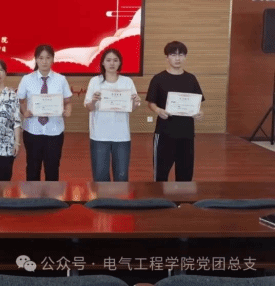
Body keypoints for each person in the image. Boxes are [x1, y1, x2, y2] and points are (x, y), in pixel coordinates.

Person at [146, 41, 205, 182]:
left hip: (186, 134)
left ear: (185, 57)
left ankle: (182, 197)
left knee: (185, 176)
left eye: (181, 55)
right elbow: (151, 102)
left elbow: (197, 104)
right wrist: (157, 110)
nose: (177, 58)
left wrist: (200, 113)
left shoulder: (191, 79)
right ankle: (159, 197)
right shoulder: (158, 79)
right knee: (160, 176)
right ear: (167, 57)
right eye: (173, 55)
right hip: (164, 133)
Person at [84, 49, 141, 182]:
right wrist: (93, 101)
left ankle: (120, 197)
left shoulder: (127, 82)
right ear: (103, 63)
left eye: (115, 60)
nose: (112, 63)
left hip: (121, 136)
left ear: (120, 63)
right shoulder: (95, 81)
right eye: (108, 60)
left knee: (121, 177)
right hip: (99, 135)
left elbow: (132, 108)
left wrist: (135, 102)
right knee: (100, 177)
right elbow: (89, 107)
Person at [18, 44, 72, 181]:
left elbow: (68, 101)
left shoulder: (61, 80)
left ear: (53, 59)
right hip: (32, 131)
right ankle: (33, 196)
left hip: (54, 131)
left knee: (52, 170)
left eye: (48, 58)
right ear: (36, 59)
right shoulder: (27, 79)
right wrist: (24, 112)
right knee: (32, 169)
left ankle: (52, 195)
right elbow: (20, 101)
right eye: (41, 58)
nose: (44, 61)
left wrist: (68, 110)